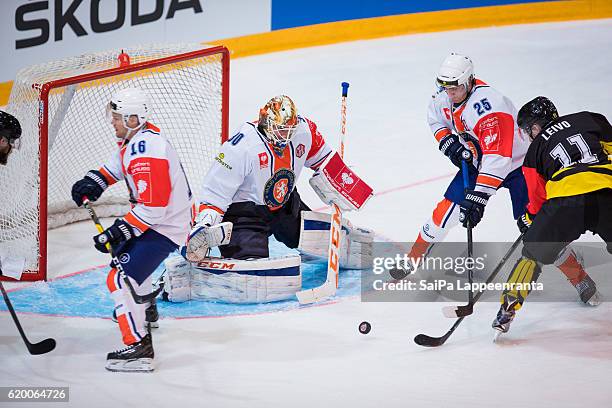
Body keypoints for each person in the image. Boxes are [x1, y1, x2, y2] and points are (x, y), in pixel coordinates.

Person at [395, 54, 593, 301]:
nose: (450, 93)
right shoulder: (444, 96)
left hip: (518, 165)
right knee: (444, 214)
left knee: (536, 227)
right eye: (446, 87)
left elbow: (497, 159)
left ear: (469, 81)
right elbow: (435, 118)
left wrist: (478, 198)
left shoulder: (489, 106)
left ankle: (579, 277)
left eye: (455, 87)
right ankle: (413, 259)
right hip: (480, 162)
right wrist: (447, 142)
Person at [169, 95, 373, 303]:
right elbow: (215, 194)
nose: (285, 136)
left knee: (327, 240)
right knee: (258, 279)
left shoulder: (304, 130)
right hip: (244, 214)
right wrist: (206, 223)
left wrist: (342, 183)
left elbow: (324, 159)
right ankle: (191, 276)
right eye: (280, 130)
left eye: (289, 130)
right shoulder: (240, 147)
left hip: (285, 205)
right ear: (266, 122)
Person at [70, 87, 192, 372]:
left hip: (165, 224)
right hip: (160, 219)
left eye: (117, 117)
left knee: (120, 277)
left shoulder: (148, 152)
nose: (112, 122)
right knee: (125, 259)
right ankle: (145, 309)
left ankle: (139, 348)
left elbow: (155, 208)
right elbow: (118, 166)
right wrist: (94, 181)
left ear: (133, 119)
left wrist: (117, 231)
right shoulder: (139, 138)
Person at [492, 96, 612, 336]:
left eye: (528, 130)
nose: (528, 136)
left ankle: (507, 309)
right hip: (606, 192)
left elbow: (537, 199)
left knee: (532, 254)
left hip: (565, 202)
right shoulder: (588, 119)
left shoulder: (535, 150)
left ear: (536, 127)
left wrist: (529, 219)